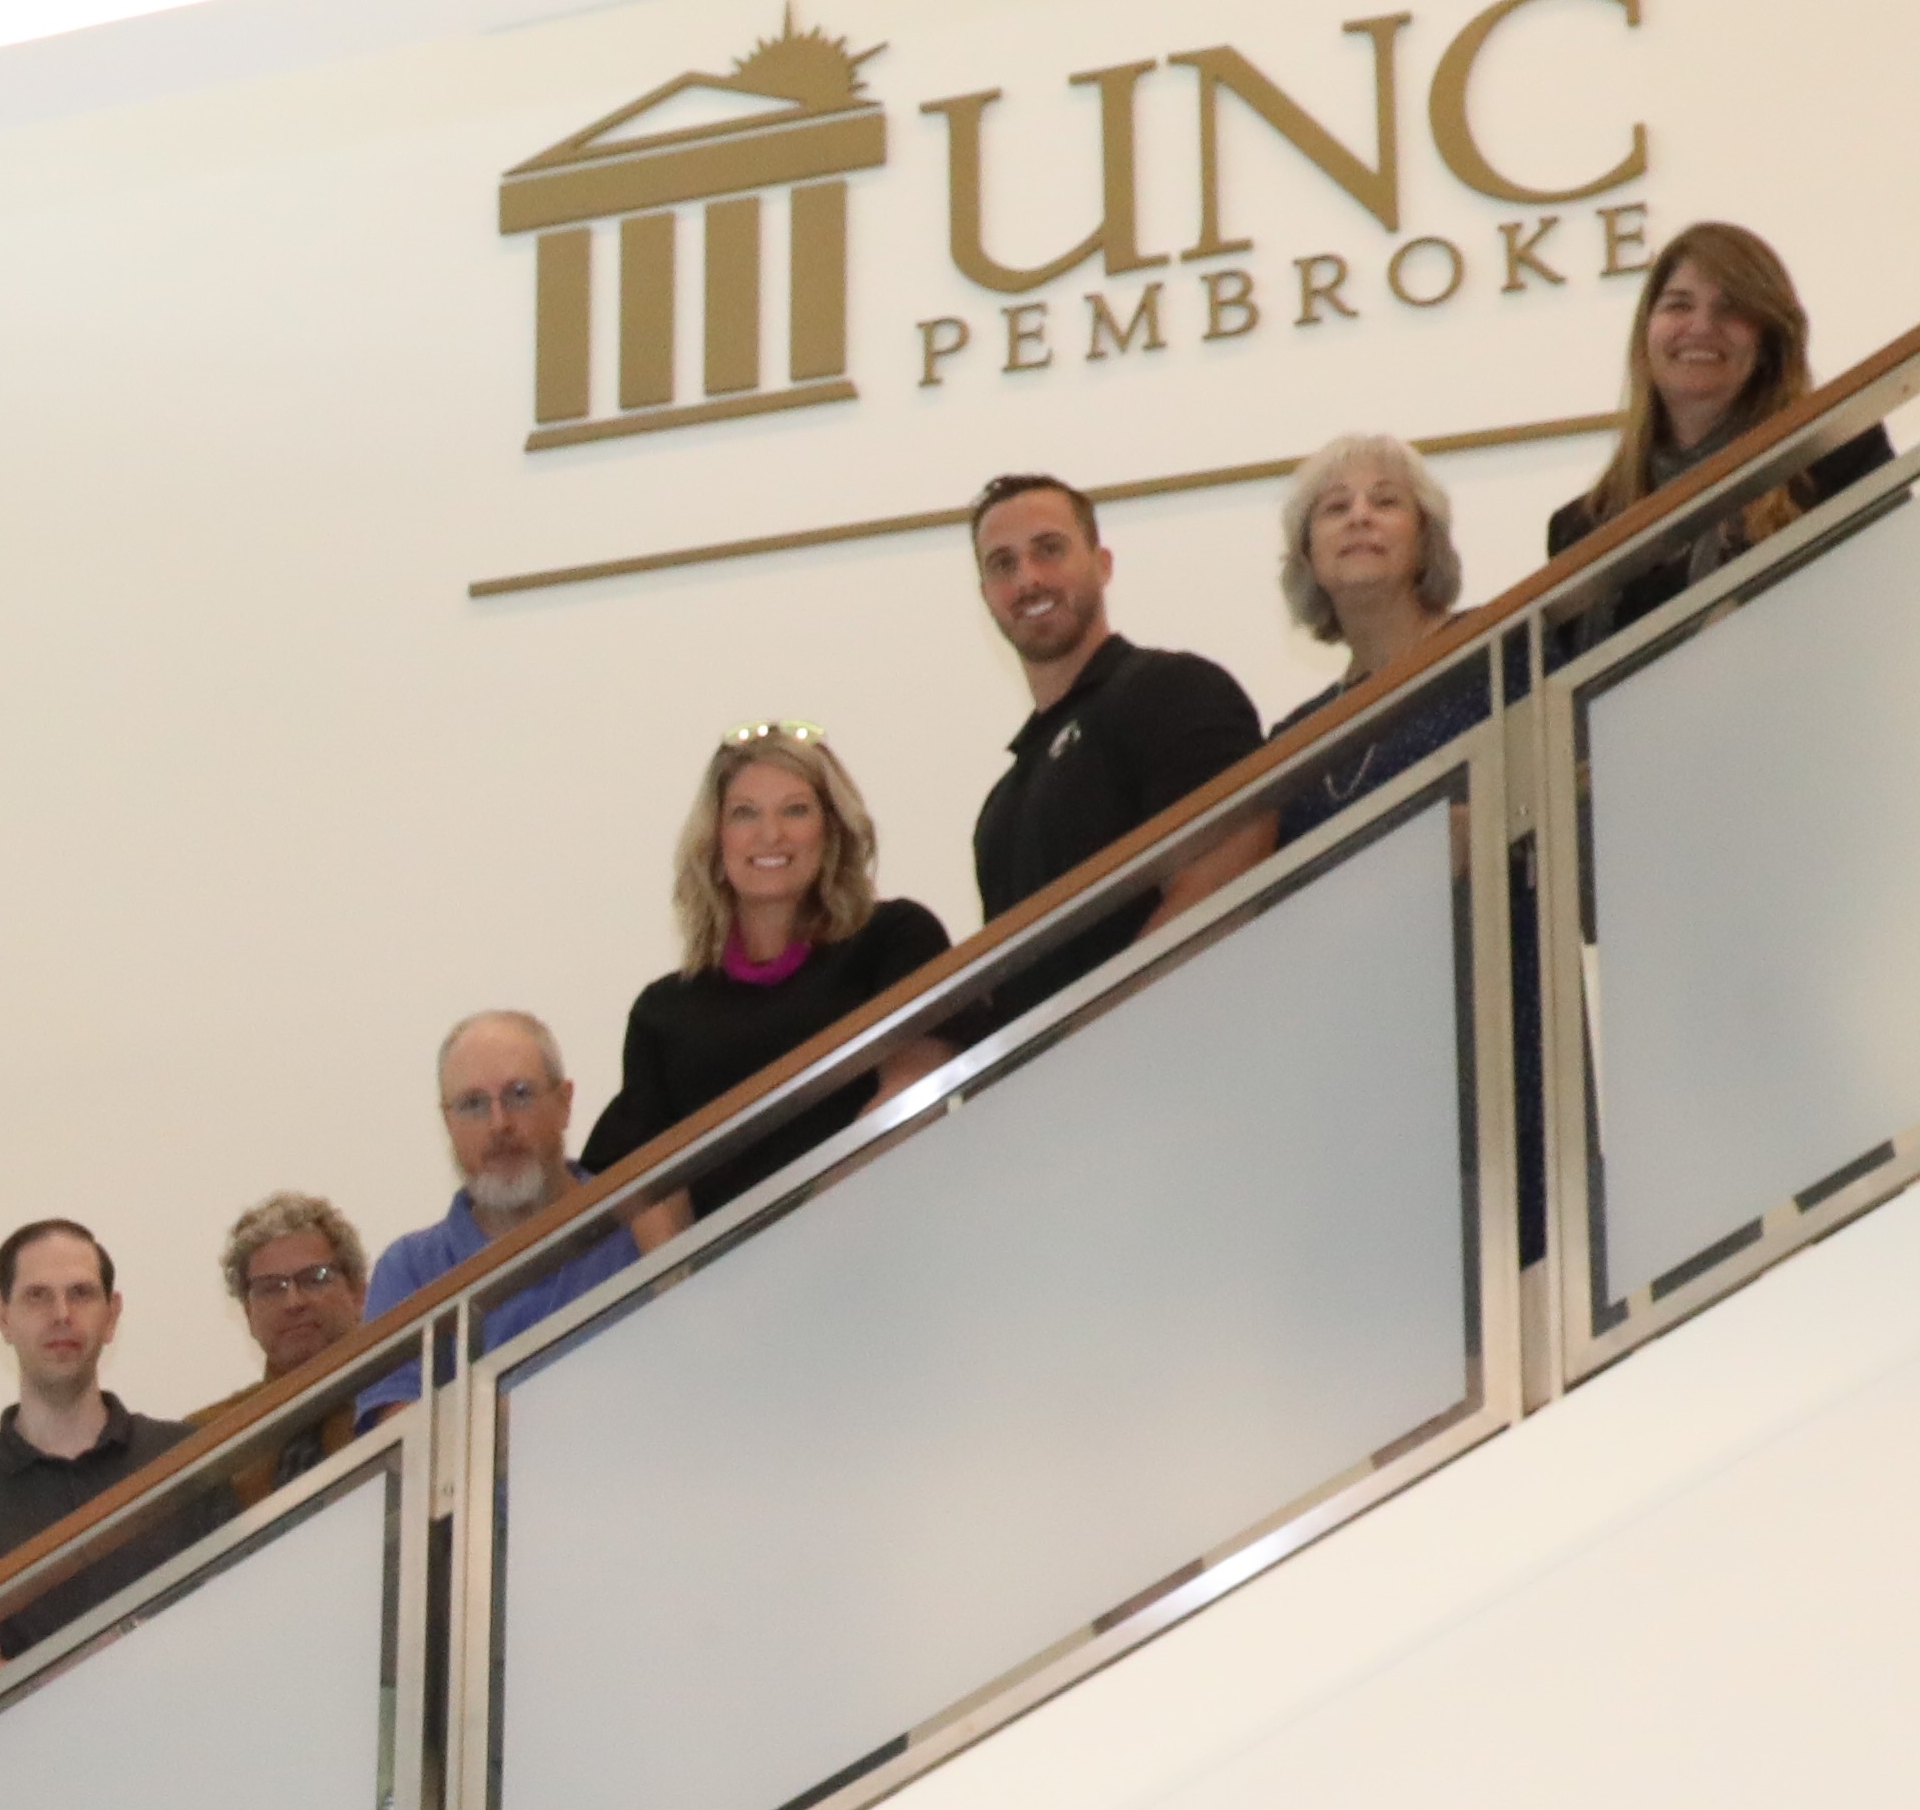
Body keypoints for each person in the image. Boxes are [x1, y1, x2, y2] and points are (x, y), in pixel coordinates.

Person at [582, 729, 958, 1237]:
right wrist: (687, 1296)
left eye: (796, 810)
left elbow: (916, 1088)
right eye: (744, 813)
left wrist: (806, 1234)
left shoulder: (894, 937)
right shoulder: (664, 1011)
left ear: (831, 832)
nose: (770, 835)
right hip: (735, 1291)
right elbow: (652, 1193)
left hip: (882, 1241)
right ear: (715, 842)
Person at [963, 473, 1266, 1028]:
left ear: (1102, 564)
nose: (1027, 578)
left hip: (1187, 1059)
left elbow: (1230, 864)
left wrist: (1103, 1031)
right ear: (986, 596)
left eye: (1048, 550)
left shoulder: (1173, 688)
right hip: (1063, 1096)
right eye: (1002, 564)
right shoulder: (1001, 806)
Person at [1549, 223, 1888, 646]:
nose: (1701, 326)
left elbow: (1881, 620)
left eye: (1730, 309)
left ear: (1768, 340)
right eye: (1678, 305)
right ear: (1646, 332)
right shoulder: (1581, 529)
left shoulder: (1835, 459)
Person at [0, 1226, 187, 1683]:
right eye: (37, 1296)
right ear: (3, 1318)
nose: (61, 1315)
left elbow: (236, 1615)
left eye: (81, 1293)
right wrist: (97, 1673)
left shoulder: (186, 1455)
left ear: (112, 1315)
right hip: (39, 1751)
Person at [365, 1014, 656, 1366]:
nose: (499, 1123)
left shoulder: (636, 1220)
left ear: (564, 1103)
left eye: (519, 1094)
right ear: (447, 1123)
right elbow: (401, 1419)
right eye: (473, 1104)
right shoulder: (410, 1270)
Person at [1270, 435, 1486, 840]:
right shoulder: (1292, 742)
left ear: (1425, 541)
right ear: (1308, 556)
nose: (1359, 517)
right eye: (1336, 507)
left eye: (1385, 501)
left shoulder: (1492, 650)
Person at [213, 1194, 380, 1490]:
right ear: (248, 1313)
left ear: (358, 1293)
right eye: (270, 1288)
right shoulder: (211, 1439)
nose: (293, 1302)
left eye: (315, 1278)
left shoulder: (398, 1391)